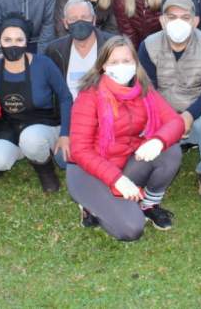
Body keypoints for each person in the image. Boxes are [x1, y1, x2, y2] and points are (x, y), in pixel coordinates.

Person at [66, 36, 185, 239]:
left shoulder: (144, 89)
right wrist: (117, 180)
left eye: (127, 61)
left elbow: (176, 122)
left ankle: (149, 205)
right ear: (103, 65)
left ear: (135, 64)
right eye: (114, 62)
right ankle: (91, 205)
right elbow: (80, 150)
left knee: (170, 151)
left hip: (124, 162)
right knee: (131, 229)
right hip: (88, 171)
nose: (121, 67)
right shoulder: (89, 95)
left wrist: (158, 140)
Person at [139, 0, 201, 201]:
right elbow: (147, 90)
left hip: (194, 113)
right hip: (160, 114)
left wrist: (188, 115)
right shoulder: (148, 45)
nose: (178, 22)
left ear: (195, 21)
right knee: (138, 121)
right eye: (172, 17)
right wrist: (170, 119)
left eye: (185, 17)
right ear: (162, 20)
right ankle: (148, 168)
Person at [0, 17, 73, 192]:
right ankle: (23, 151)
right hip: (9, 126)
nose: (13, 45)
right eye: (7, 40)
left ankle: (45, 169)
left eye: (19, 40)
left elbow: (65, 97)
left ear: (27, 41)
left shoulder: (43, 64)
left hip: (43, 125)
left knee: (31, 140)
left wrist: (64, 134)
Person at [47, 0, 115, 101]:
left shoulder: (112, 46)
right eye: (73, 19)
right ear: (65, 23)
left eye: (84, 17)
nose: (79, 22)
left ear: (93, 20)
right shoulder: (55, 51)